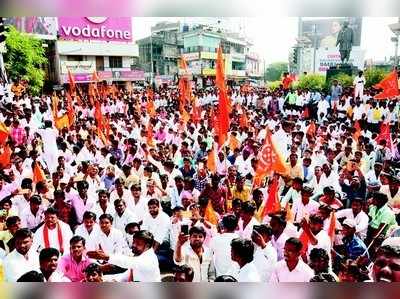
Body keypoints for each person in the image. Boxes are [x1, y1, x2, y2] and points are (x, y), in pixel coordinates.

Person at [87, 230, 161, 282]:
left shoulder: (149, 259)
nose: (134, 245)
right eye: (134, 242)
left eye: (138, 243)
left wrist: (106, 257)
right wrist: (114, 280)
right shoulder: (140, 255)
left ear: (147, 245)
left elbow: (127, 262)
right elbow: (129, 272)